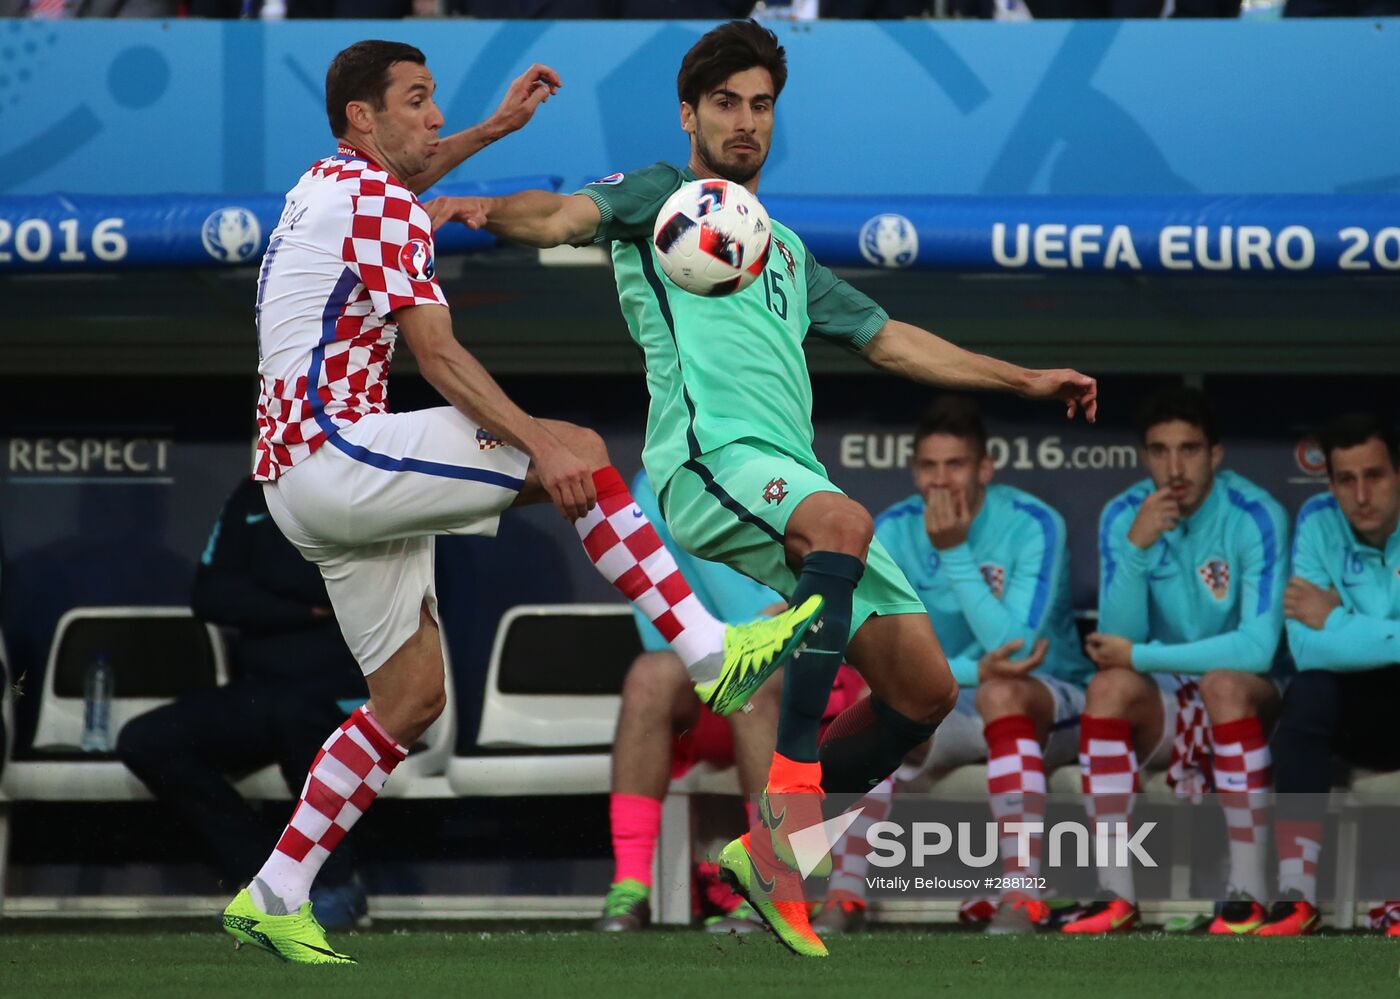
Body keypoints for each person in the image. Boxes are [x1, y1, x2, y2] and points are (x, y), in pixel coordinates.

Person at [427, 19, 1097, 957]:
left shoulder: (781, 250)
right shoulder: (662, 197)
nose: (746, 122)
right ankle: (784, 809)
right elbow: (561, 216)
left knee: (923, 690)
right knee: (846, 517)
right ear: (690, 112)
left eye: (762, 105)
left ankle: (766, 851)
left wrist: (1025, 379)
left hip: (787, 477)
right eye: (727, 104)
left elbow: (894, 339)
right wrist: (487, 211)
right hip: (710, 463)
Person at [221, 40, 822, 966]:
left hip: (299, 476)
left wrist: (496, 129)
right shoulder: (377, 200)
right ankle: (710, 653)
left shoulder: (326, 182)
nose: (434, 117)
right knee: (576, 446)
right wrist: (536, 441)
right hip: (337, 449)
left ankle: (275, 890)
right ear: (362, 120)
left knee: (410, 698)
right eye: (419, 102)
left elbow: (409, 171)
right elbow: (441, 357)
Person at [816, 395, 1092, 936]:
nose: (941, 481)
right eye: (929, 466)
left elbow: (1015, 653)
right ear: (914, 471)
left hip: (1053, 700)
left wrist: (957, 554)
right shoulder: (892, 529)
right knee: (876, 711)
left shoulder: (1034, 523)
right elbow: (889, 660)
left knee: (1003, 695)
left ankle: (1023, 894)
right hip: (952, 702)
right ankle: (844, 896)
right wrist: (970, 673)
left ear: (984, 467)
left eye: (957, 465)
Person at [598, 470, 867, 934]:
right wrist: (739, 639)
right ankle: (630, 886)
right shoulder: (658, 483)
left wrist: (790, 612)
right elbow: (657, 619)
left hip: (798, 693)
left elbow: (840, 592)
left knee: (755, 682)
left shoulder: (788, 473)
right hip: (714, 680)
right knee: (650, 675)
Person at [1066, 386, 1288, 935]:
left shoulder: (1256, 514)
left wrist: (1143, 655)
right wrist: (1136, 551)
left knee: (1224, 684)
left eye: (1189, 449)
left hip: (1252, 699)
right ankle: (1115, 894)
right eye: (1159, 451)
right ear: (1144, 457)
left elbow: (1257, 650)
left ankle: (1249, 891)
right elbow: (1117, 643)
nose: (1174, 466)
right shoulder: (1126, 514)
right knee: (1108, 689)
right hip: (1167, 701)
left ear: (1216, 454)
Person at [117, 477, 371, 928]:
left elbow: (345, 587)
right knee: (146, 740)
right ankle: (270, 884)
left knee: (299, 713)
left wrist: (272, 593)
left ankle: (336, 885)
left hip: (348, 694)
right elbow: (211, 596)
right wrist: (304, 610)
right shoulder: (253, 494)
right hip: (264, 692)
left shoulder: (362, 486)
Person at [1256, 413, 1400, 937]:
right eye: (1346, 479)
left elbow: (1325, 631)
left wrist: (1337, 619)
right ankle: (1296, 894)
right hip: (1353, 708)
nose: (1361, 494)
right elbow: (1307, 647)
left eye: (1375, 475)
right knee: (1309, 692)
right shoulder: (1319, 521)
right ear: (1331, 483)